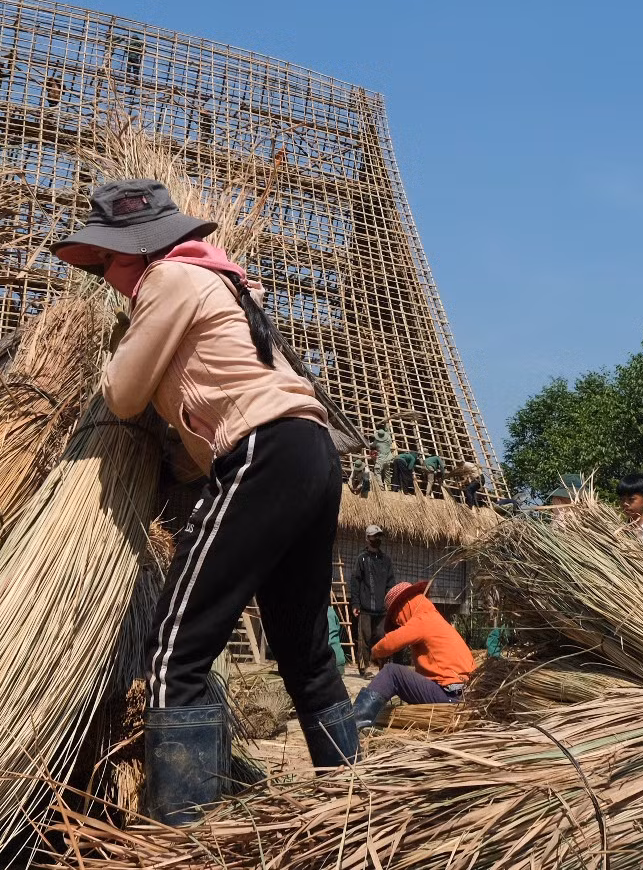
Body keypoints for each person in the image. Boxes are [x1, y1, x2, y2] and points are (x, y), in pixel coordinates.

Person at [51, 179, 358, 826]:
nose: (107, 275)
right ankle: (354, 806)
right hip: (311, 451)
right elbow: (197, 431)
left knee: (175, 652)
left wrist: (121, 350)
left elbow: (123, 395)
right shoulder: (224, 283)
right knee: (306, 653)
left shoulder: (168, 282)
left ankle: (182, 833)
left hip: (262, 455)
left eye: (109, 260)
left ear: (143, 248)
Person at [352, 581, 475, 729]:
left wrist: (374, 652)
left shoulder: (423, 619)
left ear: (404, 606)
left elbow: (390, 643)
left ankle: (354, 725)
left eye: (396, 616)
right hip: (461, 693)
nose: (398, 621)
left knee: (392, 673)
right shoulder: (439, 621)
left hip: (449, 696)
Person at [346, 525, 395, 677]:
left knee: (382, 638)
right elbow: (355, 581)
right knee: (364, 639)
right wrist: (355, 603)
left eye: (379, 536)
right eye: (374, 536)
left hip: (382, 608)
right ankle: (364, 668)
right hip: (365, 607)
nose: (377, 539)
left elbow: (390, 583)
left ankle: (382, 669)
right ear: (367, 538)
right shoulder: (361, 559)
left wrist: (392, 602)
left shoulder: (386, 560)